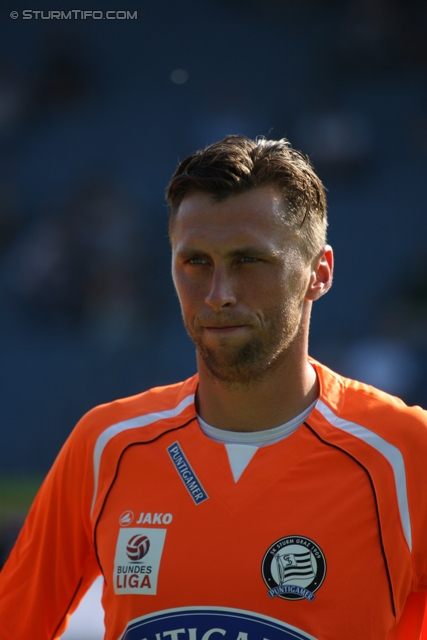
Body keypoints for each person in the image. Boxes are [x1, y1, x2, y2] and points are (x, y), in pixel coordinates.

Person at [1, 135, 427, 640]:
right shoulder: (106, 446)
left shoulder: (406, 453)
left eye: (250, 261)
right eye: (195, 262)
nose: (218, 294)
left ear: (319, 272)